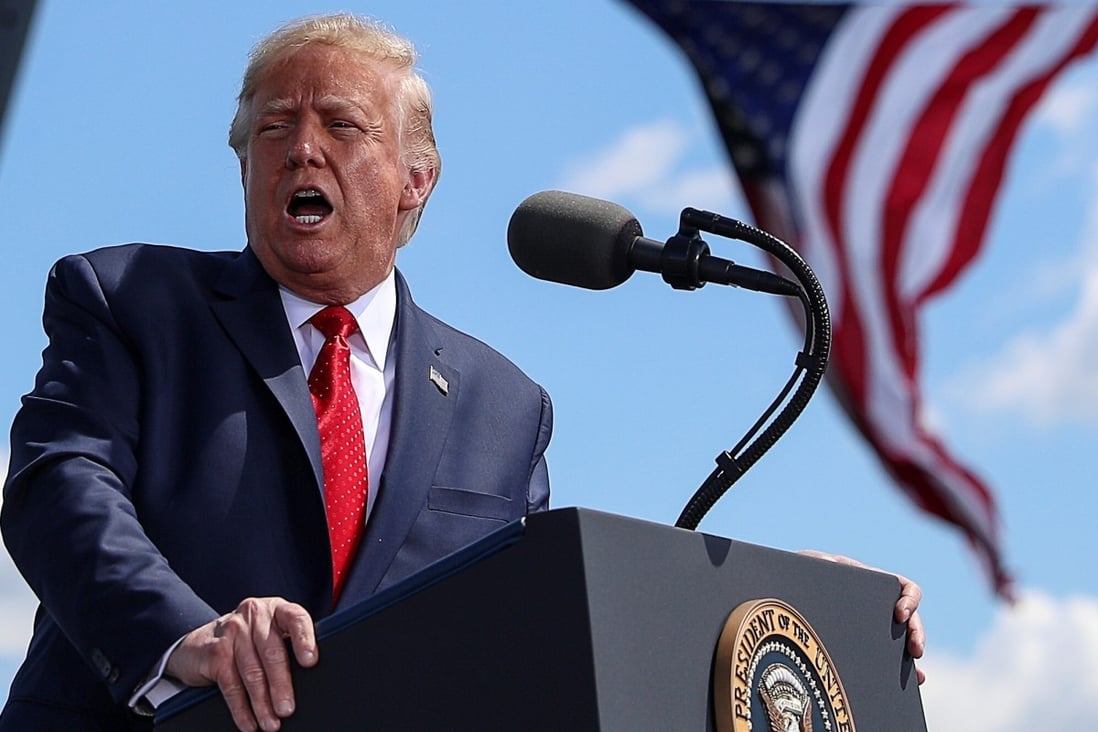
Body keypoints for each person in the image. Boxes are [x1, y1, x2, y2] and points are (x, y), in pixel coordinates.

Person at [0, 12, 922, 732]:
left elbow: (536, 622)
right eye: (273, 127)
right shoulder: (132, 301)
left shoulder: (503, 407)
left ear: (416, 179)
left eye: (342, 125)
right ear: (245, 165)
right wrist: (186, 638)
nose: (301, 147)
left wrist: (784, 600)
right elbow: (57, 486)